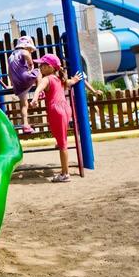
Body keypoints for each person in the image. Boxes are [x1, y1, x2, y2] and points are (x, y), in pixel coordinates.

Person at [30, 54, 84, 183]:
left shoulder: (47, 78)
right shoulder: (60, 79)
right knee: (61, 137)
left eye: (42, 65)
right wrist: (76, 79)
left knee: (62, 144)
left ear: (49, 67)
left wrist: (35, 98)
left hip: (56, 110)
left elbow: (38, 88)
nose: (40, 67)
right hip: (66, 108)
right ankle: (59, 144)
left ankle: (65, 174)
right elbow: (70, 82)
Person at [8, 36, 42, 134]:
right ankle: (39, 92)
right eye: (31, 49)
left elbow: (9, 73)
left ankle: (25, 125)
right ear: (26, 46)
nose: (31, 51)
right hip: (24, 79)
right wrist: (30, 68)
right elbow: (31, 64)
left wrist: (11, 84)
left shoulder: (11, 56)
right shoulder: (25, 52)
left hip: (17, 84)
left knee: (24, 105)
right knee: (38, 72)